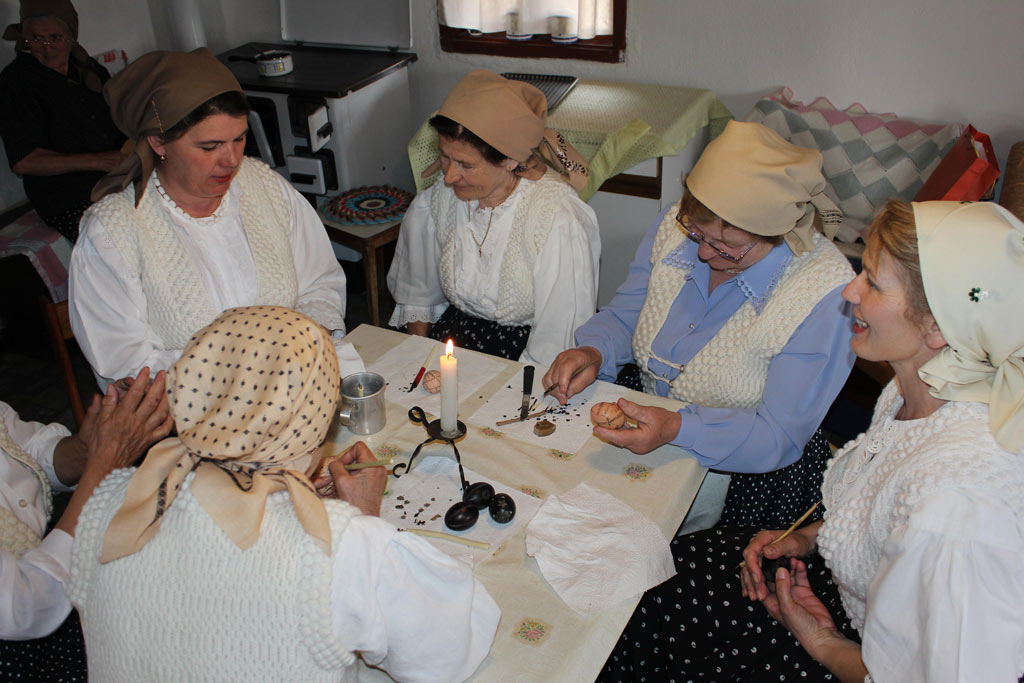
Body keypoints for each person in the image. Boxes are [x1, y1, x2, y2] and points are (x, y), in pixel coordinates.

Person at [600, 199, 1024, 681]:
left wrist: (824, 642)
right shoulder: (918, 389)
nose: (850, 290)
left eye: (873, 283)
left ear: (937, 325)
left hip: (854, 655)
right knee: (656, 572)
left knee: (653, 619)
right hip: (843, 593)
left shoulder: (958, 512)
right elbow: (884, 512)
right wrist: (806, 538)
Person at [69, 306, 500, 681]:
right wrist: (366, 521)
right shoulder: (337, 547)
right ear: (316, 418)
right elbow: (445, 651)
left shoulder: (111, 502)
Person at [544, 120, 855, 531]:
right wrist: (595, 350)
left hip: (748, 473)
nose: (705, 254)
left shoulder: (825, 293)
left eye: (729, 247)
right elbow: (627, 314)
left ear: (778, 234)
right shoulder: (678, 227)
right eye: (697, 234)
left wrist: (678, 427)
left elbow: (777, 434)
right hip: (654, 422)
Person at [69, 48, 363, 390]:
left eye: (239, 138)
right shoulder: (113, 232)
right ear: (158, 141)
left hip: (294, 389)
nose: (231, 160)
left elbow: (318, 282)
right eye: (210, 147)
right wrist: (250, 371)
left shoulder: (264, 188)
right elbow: (128, 363)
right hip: (189, 412)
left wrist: (309, 340)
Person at [387, 69, 600, 366]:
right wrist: (420, 361)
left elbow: (555, 339)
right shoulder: (440, 199)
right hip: (456, 341)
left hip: (527, 354)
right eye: (445, 156)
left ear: (511, 160)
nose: (449, 176)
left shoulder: (556, 219)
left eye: (466, 165)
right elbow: (419, 293)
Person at [0, 369, 172, 680]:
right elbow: (25, 606)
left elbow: (24, 454)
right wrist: (105, 461)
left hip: (49, 564)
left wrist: (88, 446)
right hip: (23, 648)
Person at [0, 0, 126, 242]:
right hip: (70, 198)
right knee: (122, 241)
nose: (47, 48)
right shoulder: (15, 83)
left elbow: (118, 116)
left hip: (115, 180)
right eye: (36, 39)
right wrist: (98, 161)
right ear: (25, 39)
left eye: (55, 38)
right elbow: (24, 162)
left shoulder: (87, 68)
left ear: (71, 36)